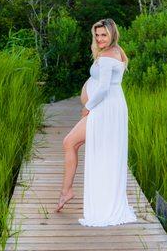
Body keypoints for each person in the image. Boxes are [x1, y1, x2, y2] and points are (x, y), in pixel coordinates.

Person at [55, 18, 137, 226]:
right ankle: (68, 191)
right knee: (97, 150)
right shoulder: (114, 51)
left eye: (104, 35)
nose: (100, 39)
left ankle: (67, 191)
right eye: (97, 35)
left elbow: (103, 89)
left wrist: (88, 107)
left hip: (103, 109)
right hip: (109, 107)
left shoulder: (109, 55)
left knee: (69, 142)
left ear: (112, 35)